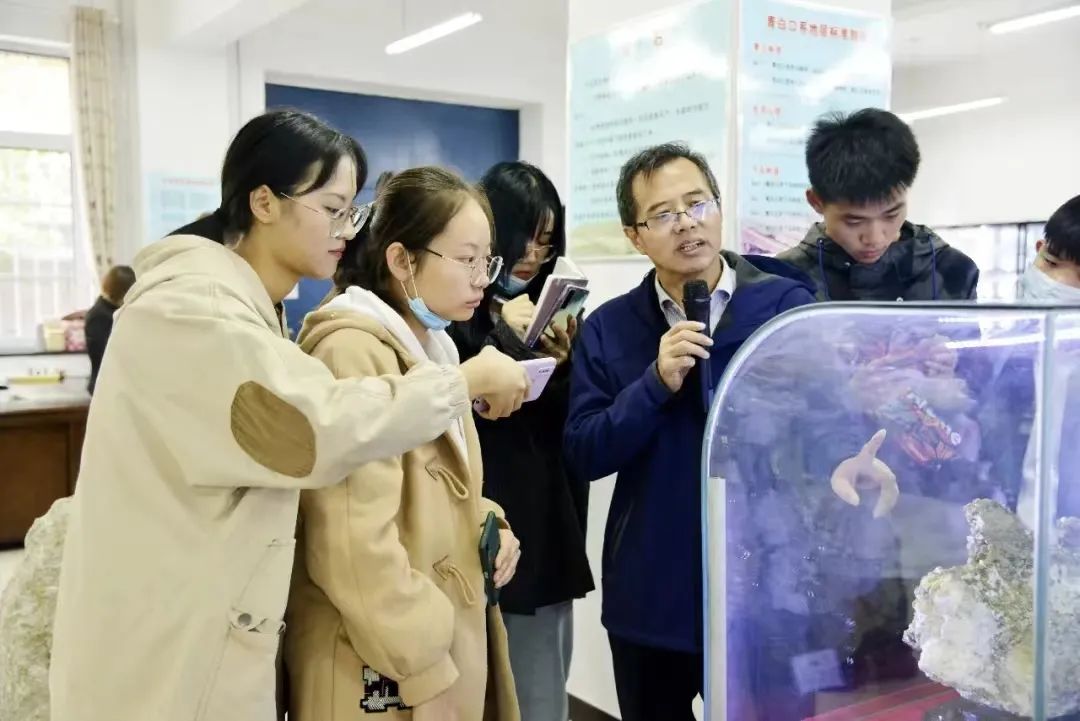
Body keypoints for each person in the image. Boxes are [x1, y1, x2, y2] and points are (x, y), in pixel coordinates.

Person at [48, 110, 529, 721]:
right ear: (264, 202)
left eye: (351, 211)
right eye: (331, 208)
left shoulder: (251, 310)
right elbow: (314, 434)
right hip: (173, 640)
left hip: (211, 623)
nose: (346, 229)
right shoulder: (192, 310)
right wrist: (461, 385)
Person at [563, 143, 816, 721]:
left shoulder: (784, 307)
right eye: (662, 214)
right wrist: (653, 383)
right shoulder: (609, 328)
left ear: (719, 209)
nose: (686, 224)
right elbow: (584, 451)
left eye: (697, 204)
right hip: (652, 593)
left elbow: (820, 421)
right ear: (635, 236)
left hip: (766, 588)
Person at [286, 166, 522, 721]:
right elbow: (351, 544)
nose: (482, 280)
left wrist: (488, 521)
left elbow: (433, 493)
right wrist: (425, 669)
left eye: (487, 262)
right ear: (402, 260)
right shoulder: (351, 350)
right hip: (379, 662)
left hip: (425, 644)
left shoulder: (435, 349)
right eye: (466, 260)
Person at [448, 161, 594, 721]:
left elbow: (567, 427)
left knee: (538, 692)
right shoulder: (455, 319)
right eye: (522, 238)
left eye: (546, 241)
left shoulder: (557, 315)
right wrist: (504, 337)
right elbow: (459, 412)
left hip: (544, 530)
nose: (533, 255)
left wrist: (564, 362)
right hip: (474, 526)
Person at [777, 108, 979, 301]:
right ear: (816, 201)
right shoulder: (785, 279)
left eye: (891, 215)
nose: (874, 239)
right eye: (854, 221)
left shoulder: (952, 271)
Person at [84, 264, 136, 394]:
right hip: (105, 386)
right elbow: (104, 355)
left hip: (111, 383)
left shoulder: (109, 310)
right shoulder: (100, 316)